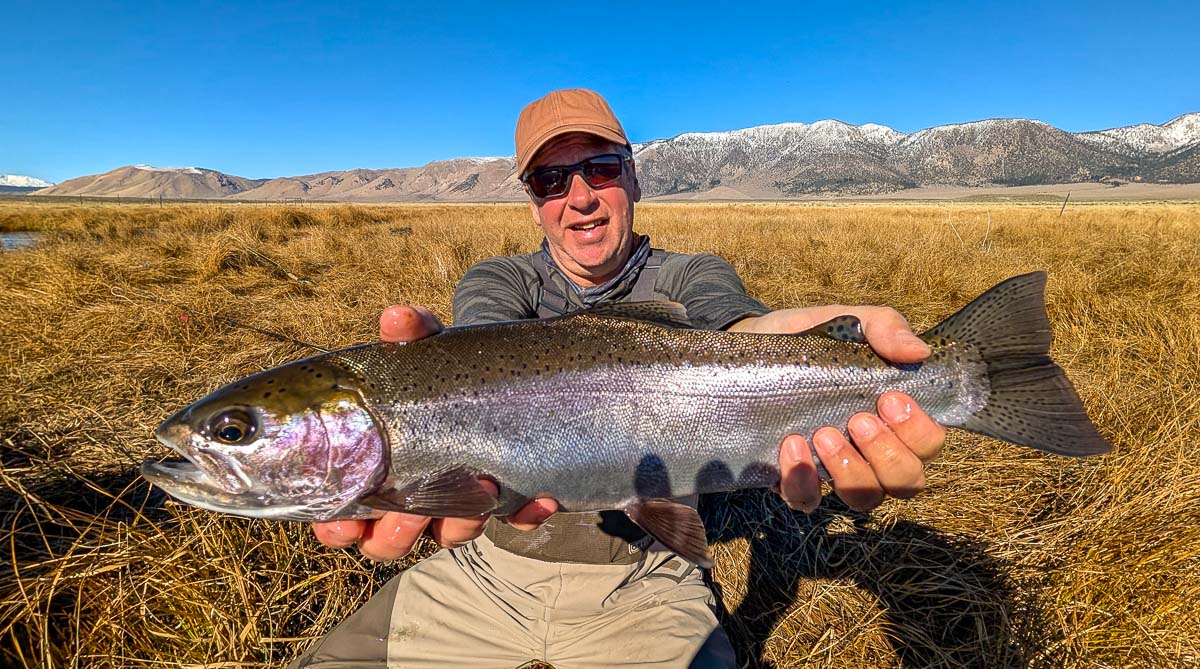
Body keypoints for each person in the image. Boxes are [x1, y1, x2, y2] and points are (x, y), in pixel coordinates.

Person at [291, 89, 946, 669]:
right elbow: (477, 347)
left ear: (632, 178)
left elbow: (740, 330)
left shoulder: (691, 277)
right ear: (533, 203)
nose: (579, 197)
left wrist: (823, 355)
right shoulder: (497, 283)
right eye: (552, 180)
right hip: (490, 566)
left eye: (599, 169)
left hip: (651, 579)